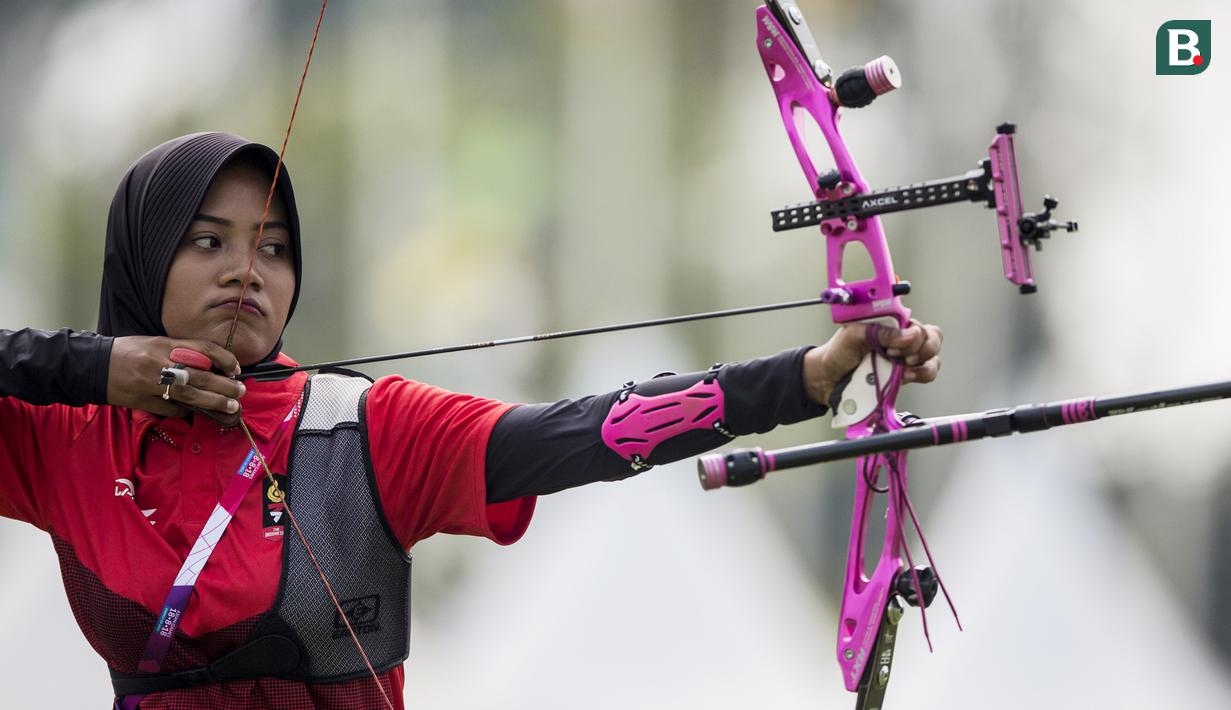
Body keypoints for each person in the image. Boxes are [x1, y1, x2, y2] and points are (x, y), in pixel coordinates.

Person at [0, 132, 942, 710]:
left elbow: (586, 430)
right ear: (140, 257)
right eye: (208, 241)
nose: (249, 270)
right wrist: (88, 365)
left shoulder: (361, 431)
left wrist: (810, 376)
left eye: (274, 247)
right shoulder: (66, 437)